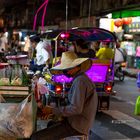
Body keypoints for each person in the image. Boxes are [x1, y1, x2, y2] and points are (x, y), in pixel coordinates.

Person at [31, 51, 98, 140]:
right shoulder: (80, 79)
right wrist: (53, 112)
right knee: (51, 124)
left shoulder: (80, 81)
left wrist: (53, 110)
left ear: (77, 67)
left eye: (68, 68)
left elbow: (75, 109)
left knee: (35, 138)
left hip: (77, 126)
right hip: (75, 121)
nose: (66, 71)